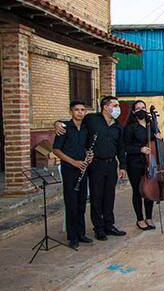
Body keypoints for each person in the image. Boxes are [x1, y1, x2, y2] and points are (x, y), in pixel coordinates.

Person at [54, 96, 127, 241]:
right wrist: (56, 123)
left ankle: (109, 225)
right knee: (96, 196)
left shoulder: (118, 125)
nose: (118, 108)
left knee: (109, 196)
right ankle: (98, 228)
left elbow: (121, 147)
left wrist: (122, 166)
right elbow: (72, 123)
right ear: (106, 107)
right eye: (116, 105)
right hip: (95, 165)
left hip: (111, 164)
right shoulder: (92, 119)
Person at [52, 100, 94, 249]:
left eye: (82, 110)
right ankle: (73, 237)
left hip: (82, 168)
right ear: (71, 111)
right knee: (71, 203)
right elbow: (56, 150)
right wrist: (73, 162)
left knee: (82, 202)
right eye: (76, 110)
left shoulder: (85, 129)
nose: (80, 112)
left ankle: (81, 234)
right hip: (69, 169)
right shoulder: (64, 127)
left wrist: (89, 156)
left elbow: (86, 147)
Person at [123, 100, 156, 231]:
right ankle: (140, 219)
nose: (141, 110)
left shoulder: (151, 124)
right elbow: (126, 146)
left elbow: (155, 143)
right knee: (138, 191)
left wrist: (158, 137)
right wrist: (140, 149)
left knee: (150, 190)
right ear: (133, 112)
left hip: (150, 161)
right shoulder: (130, 127)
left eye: (143, 107)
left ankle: (149, 217)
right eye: (138, 108)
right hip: (135, 162)